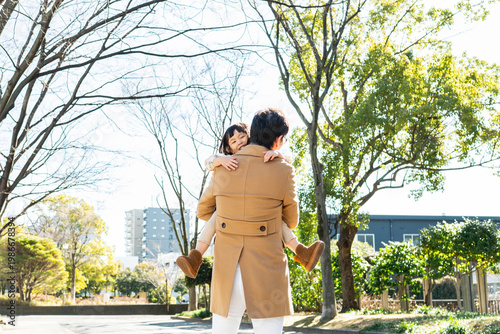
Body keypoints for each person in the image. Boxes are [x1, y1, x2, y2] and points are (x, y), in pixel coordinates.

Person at [196, 108, 313, 333]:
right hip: (266, 270)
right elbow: (291, 220)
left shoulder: (223, 166)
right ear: (278, 139)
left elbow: (203, 211)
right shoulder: (284, 169)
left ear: (253, 133)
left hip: (227, 272)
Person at [176, 122, 324, 279]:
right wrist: (220, 160)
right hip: (232, 214)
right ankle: (195, 257)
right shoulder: (227, 161)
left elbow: (288, 162)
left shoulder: (264, 156)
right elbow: (208, 162)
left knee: (273, 216)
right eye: (233, 141)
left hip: (254, 213)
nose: (239, 141)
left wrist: (278, 155)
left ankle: (302, 252)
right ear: (228, 148)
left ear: (251, 137)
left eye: (242, 136)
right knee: (218, 215)